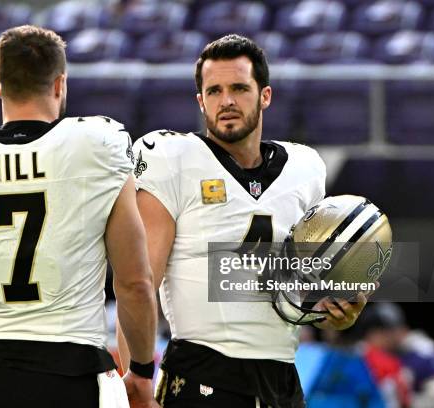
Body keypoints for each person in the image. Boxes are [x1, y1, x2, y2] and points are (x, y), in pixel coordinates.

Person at [122, 34, 369, 407]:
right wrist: (135, 381)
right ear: (200, 100)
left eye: (239, 88)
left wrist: (333, 312)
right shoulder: (173, 158)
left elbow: (299, 290)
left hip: (282, 378)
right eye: (215, 90)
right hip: (201, 375)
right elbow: (139, 282)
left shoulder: (305, 169)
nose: (227, 101)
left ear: (265, 95)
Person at [0, 25, 158, 408]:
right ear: (60, 84)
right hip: (74, 372)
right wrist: (142, 372)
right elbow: (134, 283)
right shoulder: (95, 146)